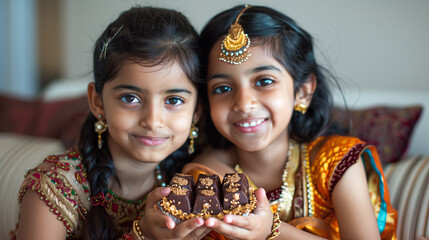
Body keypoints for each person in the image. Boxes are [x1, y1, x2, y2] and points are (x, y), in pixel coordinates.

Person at [182, 5, 397, 240]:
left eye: (264, 81)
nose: (243, 104)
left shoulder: (336, 161)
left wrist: (272, 231)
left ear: (302, 91)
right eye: (223, 88)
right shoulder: (206, 173)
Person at [10, 6, 210, 240]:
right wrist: (142, 235)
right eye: (131, 98)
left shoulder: (195, 177)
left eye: (174, 100)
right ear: (98, 103)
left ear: (196, 112)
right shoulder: (54, 188)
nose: (153, 121)